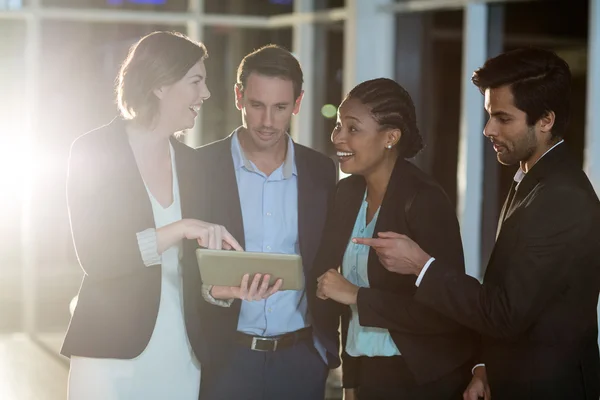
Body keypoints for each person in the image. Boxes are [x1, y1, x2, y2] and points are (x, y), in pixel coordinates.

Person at [354, 48, 600, 400]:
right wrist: (484, 366)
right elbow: (517, 299)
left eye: (503, 118)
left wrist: (422, 266)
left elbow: (503, 312)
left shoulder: (562, 197)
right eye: (488, 116)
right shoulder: (531, 179)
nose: (488, 130)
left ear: (545, 120)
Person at [62, 31, 242, 400]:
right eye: (196, 82)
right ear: (160, 84)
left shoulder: (194, 165)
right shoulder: (92, 151)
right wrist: (178, 228)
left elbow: (192, 267)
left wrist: (218, 290)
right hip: (109, 351)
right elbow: (97, 258)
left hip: (181, 353)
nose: (205, 94)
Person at [312, 78, 476, 400]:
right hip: (370, 375)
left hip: (424, 378)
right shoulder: (346, 194)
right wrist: (350, 384)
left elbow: (446, 310)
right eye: (338, 125)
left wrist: (358, 295)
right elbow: (347, 313)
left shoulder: (425, 200)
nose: (338, 137)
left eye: (353, 128)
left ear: (390, 137)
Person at [195, 44, 338, 400]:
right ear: (238, 97)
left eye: (281, 108)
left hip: (301, 360)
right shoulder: (199, 167)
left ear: (298, 103)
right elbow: (182, 263)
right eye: (257, 105)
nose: (268, 122)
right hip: (224, 357)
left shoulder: (320, 171)